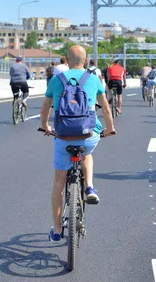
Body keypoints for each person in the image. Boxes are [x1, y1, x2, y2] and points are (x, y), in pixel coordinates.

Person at [39, 45, 115, 242]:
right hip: (88, 134)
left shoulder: (56, 80)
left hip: (63, 136)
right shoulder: (93, 79)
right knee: (86, 152)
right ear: (85, 59)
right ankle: (89, 186)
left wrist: (45, 126)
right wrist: (109, 128)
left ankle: (57, 230)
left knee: (58, 182)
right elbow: (106, 108)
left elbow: (45, 109)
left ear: (66, 59)